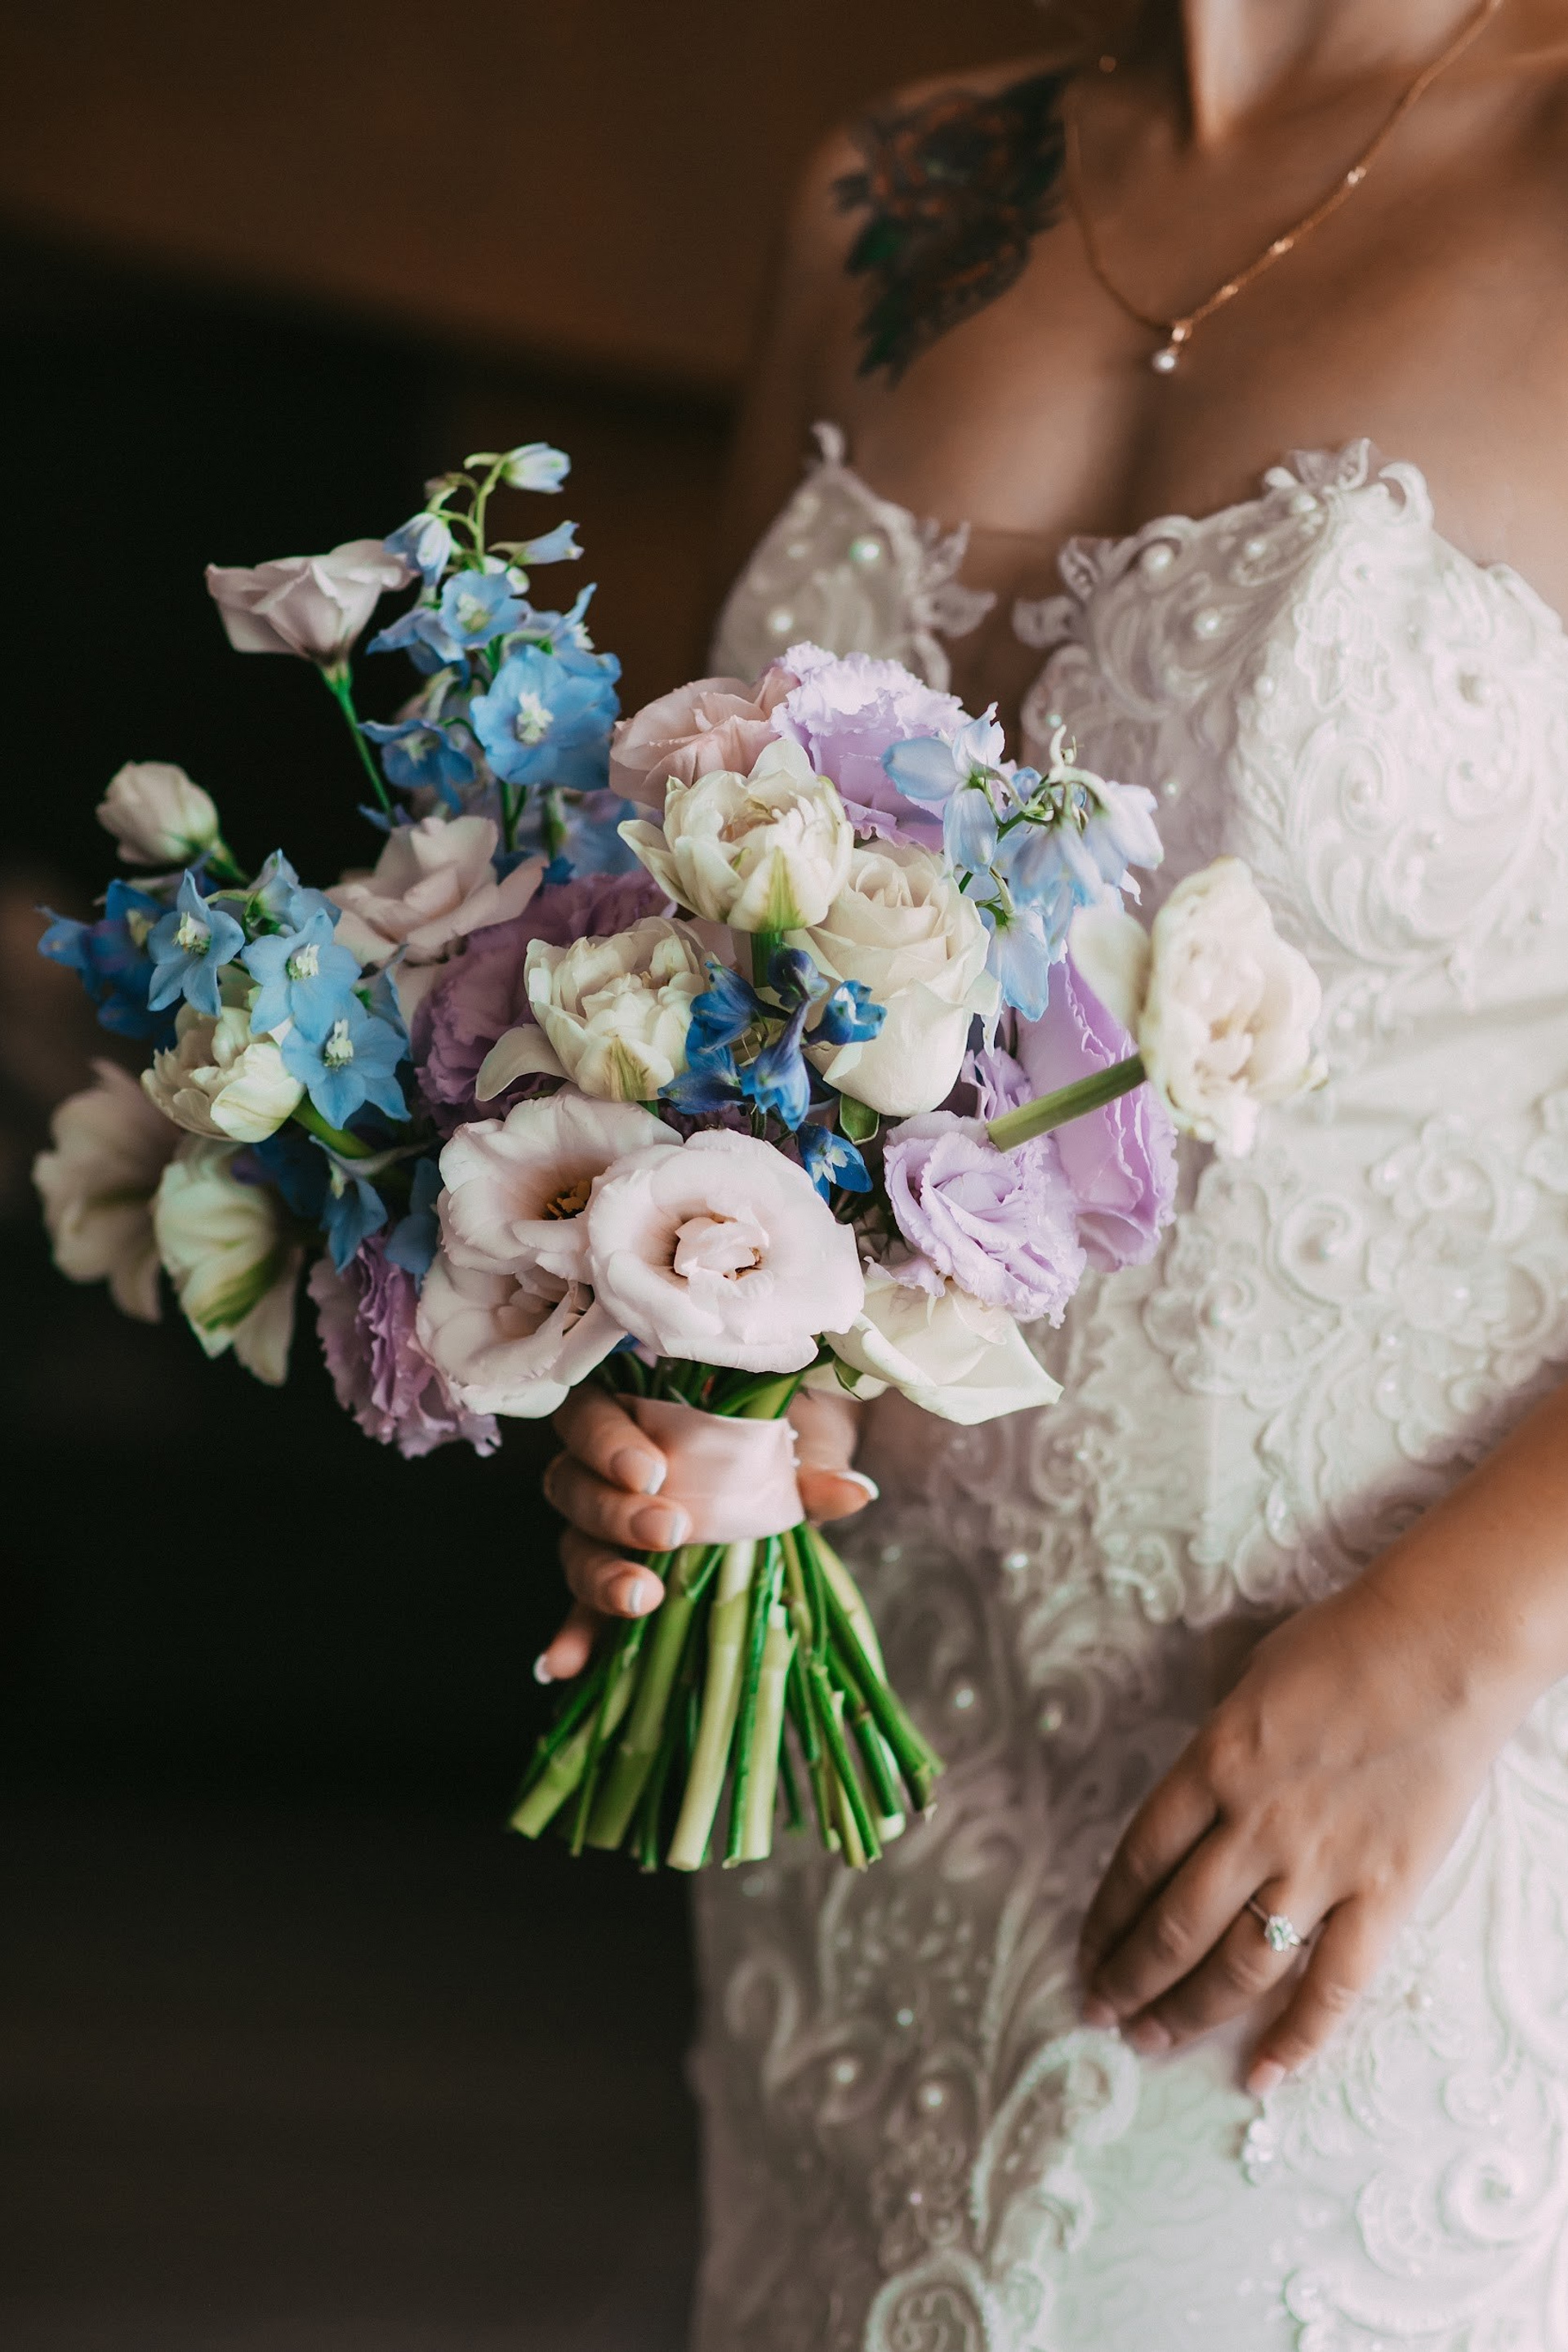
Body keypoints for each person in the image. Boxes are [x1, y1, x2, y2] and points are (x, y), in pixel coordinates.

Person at [540, 2, 1568, 2341]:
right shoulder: (891, 195)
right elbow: (711, 987)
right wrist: (686, 1367)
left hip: (1383, 1777)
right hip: (868, 1800)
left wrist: (1462, 1637)